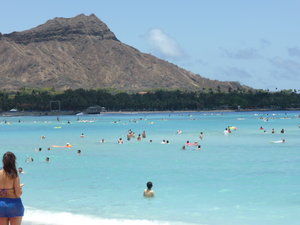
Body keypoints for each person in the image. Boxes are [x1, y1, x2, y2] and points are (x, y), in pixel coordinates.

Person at [0, 152, 24, 225]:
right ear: (14, 162)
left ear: (3, 161)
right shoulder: (15, 174)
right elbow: (18, 194)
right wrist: (19, 187)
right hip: (14, 205)